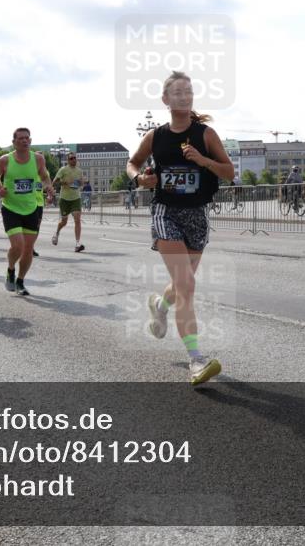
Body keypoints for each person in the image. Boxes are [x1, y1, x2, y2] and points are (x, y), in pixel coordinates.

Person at [126, 71, 234, 386]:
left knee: (180, 285)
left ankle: (159, 305)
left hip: (197, 215)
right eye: (177, 92)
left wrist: (202, 160)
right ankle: (196, 360)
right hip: (166, 213)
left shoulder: (206, 134)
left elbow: (228, 172)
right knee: (187, 286)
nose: (184, 96)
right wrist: (139, 179)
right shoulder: (156, 136)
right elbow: (132, 163)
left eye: (188, 91)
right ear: (165, 100)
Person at [0, 127, 54, 296]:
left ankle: (20, 281)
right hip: (11, 207)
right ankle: (10, 269)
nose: (24, 141)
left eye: (27, 138)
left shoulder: (38, 159)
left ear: (30, 141)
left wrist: (48, 186)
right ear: (14, 142)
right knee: (17, 246)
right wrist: (0, 188)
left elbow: (45, 176)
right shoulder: (5, 160)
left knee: (28, 249)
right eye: (20, 138)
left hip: (31, 208)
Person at [51, 152, 85, 252]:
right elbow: (54, 182)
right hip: (64, 199)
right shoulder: (63, 170)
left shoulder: (79, 171)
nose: (73, 160)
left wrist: (80, 183)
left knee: (77, 219)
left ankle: (77, 243)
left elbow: (81, 183)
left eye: (75, 158)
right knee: (64, 222)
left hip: (76, 198)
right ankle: (56, 233)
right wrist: (64, 183)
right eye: (71, 158)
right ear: (68, 160)